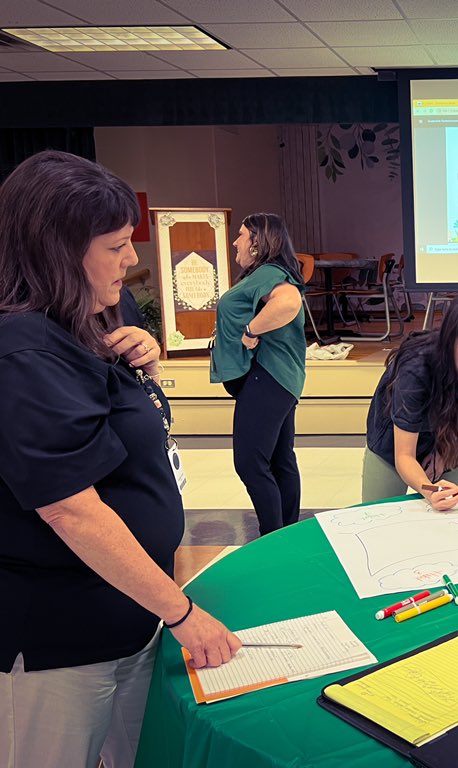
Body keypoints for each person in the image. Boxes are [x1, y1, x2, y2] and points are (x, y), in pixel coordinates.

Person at [0, 150, 240, 768]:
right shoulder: (21, 351)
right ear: (56, 250)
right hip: (61, 637)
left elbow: (133, 432)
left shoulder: (94, 314)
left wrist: (143, 361)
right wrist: (182, 612)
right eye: (114, 246)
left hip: (132, 614)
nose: (133, 259)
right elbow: (72, 511)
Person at [362, 290, 458, 510]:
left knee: (451, 516)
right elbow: (404, 455)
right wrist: (430, 490)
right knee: (377, 515)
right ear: (449, 341)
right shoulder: (416, 369)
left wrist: (445, 450)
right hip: (394, 443)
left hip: (450, 434)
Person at [211, 213, 306, 537]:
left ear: (257, 243)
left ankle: (272, 537)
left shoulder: (270, 273)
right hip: (281, 378)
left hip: (269, 375)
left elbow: (289, 302)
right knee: (280, 460)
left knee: (250, 462)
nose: (235, 241)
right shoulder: (267, 273)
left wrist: (252, 330)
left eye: (240, 235)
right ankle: (285, 536)